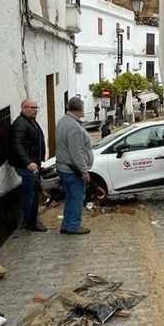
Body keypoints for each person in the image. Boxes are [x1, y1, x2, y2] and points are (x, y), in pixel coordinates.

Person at [55, 97, 93, 234]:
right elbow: (76, 152)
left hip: (63, 167)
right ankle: (73, 225)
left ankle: (67, 224)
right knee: (77, 197)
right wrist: (84, 171)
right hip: (72, 170)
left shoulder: (62, 121)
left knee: (71, 196)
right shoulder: (74, 127)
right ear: (81, 109)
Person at [9, 98, 47, 232]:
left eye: (36, 107)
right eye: (32, 108)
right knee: (31, 193)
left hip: (33, 163)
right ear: (24, 108)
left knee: (31, 192)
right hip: (26, 165)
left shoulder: (29, 121)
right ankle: (31, 222)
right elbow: (17, 145)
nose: (35, 110)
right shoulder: (20, 124)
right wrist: (28, 162)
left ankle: (31, 219)